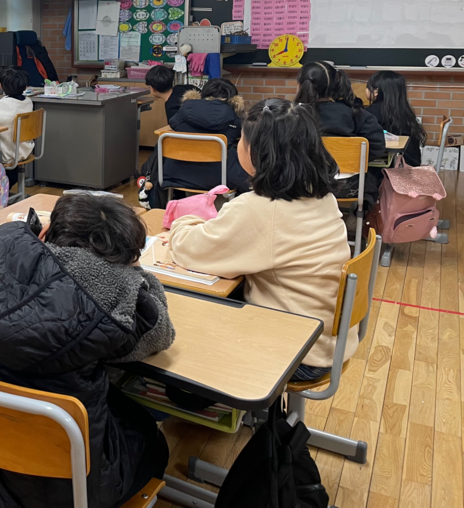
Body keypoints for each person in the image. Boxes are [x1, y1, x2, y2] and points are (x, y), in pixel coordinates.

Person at [0, 193, 174, 508]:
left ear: (45, 234)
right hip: (62, 494)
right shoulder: (109, 304)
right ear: (122, 265)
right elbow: (161, 331)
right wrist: (134, 274)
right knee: (151, 437)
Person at [169, 99, 351, 382]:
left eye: (241, 139)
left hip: (298, 351)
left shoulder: (263, 209)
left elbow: (190, 251)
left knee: (185, 328)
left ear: (255, 152)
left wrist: (185, 221)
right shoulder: (321, 195)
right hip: (327, 340)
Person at [295, 61, 385, 206]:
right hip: (349, 187)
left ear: (300, 86)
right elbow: (377, 146)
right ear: (337, 84)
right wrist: (353, 161)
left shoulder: (291, 115)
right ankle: (355, 219)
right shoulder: (356, 113)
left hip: (300, 185)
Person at [162, 78, 250, 194]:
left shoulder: (184, 111)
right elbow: (247, 133)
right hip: (221, 178)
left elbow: (173, 123)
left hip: (179, 175)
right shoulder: (235, 116)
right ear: (233, 98)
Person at [365, 70, 425, 167]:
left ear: (376, 91)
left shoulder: (370, 113)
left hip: (388, 169)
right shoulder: (406, 112)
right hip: (410, 165)